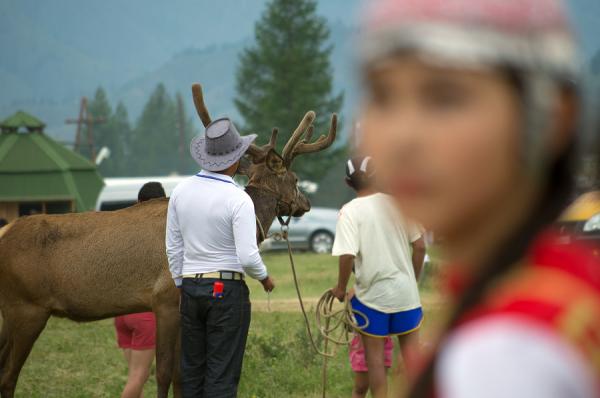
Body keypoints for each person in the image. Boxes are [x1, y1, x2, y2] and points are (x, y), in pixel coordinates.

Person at [357, 0, 600, 397]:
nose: (402, 137)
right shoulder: (561, 289)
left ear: (552, 118)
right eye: (382, 96)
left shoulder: (506, 352)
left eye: (445, 98)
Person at [166, 117, 275, 398]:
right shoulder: (238, 199)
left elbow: (173, 247)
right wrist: (264, 278)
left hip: (190, 287)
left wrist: (181, 283)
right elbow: (248, 256)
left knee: (192, 371)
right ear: (234, 160)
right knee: (221, 374)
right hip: (226, 290)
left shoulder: (180, 192)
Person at [331, 155, 426, 398]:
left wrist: (341, 288)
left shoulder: (349, 212)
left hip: (372, 299)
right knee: (413, 362)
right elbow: (420, 247)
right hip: (406, 295)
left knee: (375, 364)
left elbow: (346, 256)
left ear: (346, 183)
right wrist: (411, 282)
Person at [114, 181, 166, 398]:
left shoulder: (123, 232)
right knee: (138, 377)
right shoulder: (159, 233)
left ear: (138, 202)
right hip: (144, 313)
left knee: (135, 377)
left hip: (120, 312)